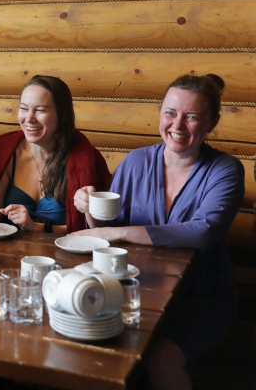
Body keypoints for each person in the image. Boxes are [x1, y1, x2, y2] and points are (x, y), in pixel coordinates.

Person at [71, 74, 244, 390]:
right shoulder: (136, 162)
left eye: (191, 116)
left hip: (200, 298)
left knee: (160, 359)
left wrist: (120, 233)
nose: (177, 124)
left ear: (212, 122)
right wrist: (90, 212)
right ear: (160, 113)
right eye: (170, 113)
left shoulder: (225, 169)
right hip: (135, 292)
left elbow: (203, 232)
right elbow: (109, 229)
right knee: (95, 346)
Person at [0, 75, 110, 234]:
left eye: (40, 110)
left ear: (62, 115)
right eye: (23, 109)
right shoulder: (4, 150)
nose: (29, 118)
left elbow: (93, 231)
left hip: (65, 256)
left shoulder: (85, 159)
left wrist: (35, 227)